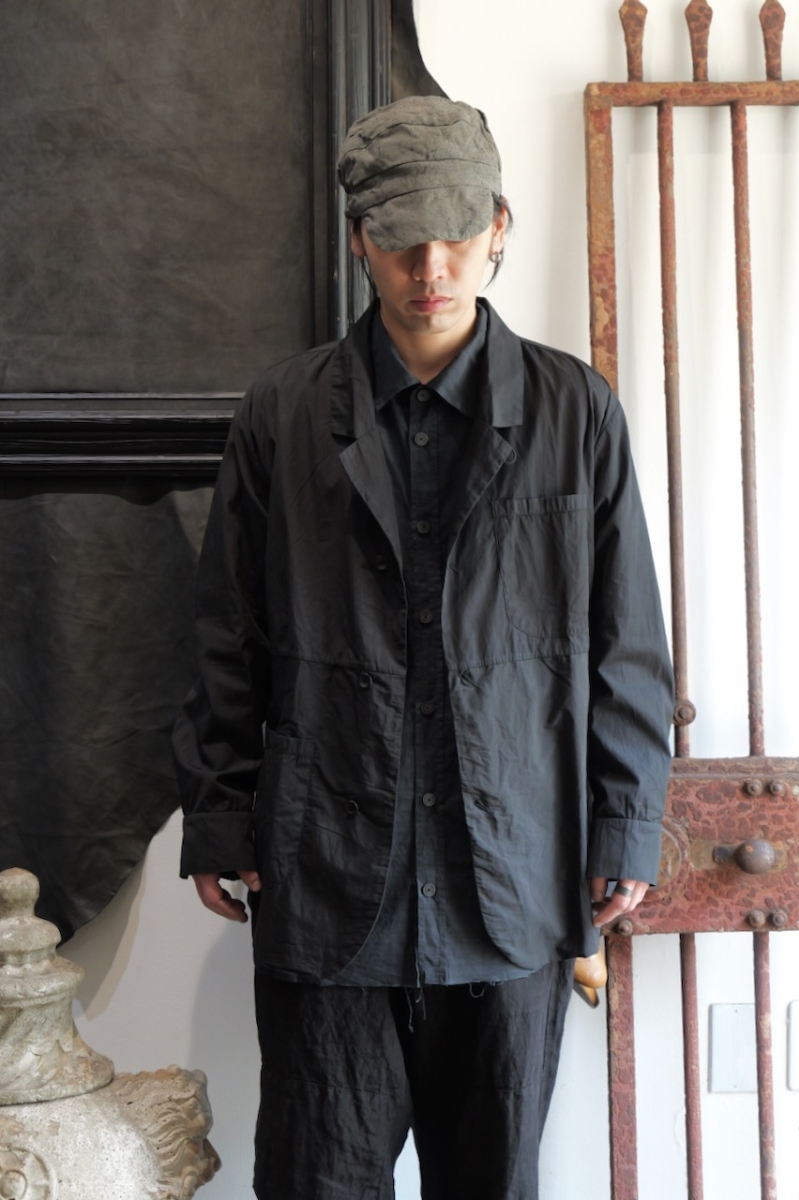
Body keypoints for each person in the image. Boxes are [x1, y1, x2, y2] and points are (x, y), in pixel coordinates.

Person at [173, 96, 674, 1200]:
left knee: (493, 1178)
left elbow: (627, 642)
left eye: (454, 231)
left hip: (512, 873)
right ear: (360, 240)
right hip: (326, 876)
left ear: (498, 226)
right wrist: (217, 809)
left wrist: (626, 822)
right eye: (401, 236)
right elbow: (228, 632)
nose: (430, 266)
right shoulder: (283, 413)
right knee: (316, 1177)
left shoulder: (573, 410)